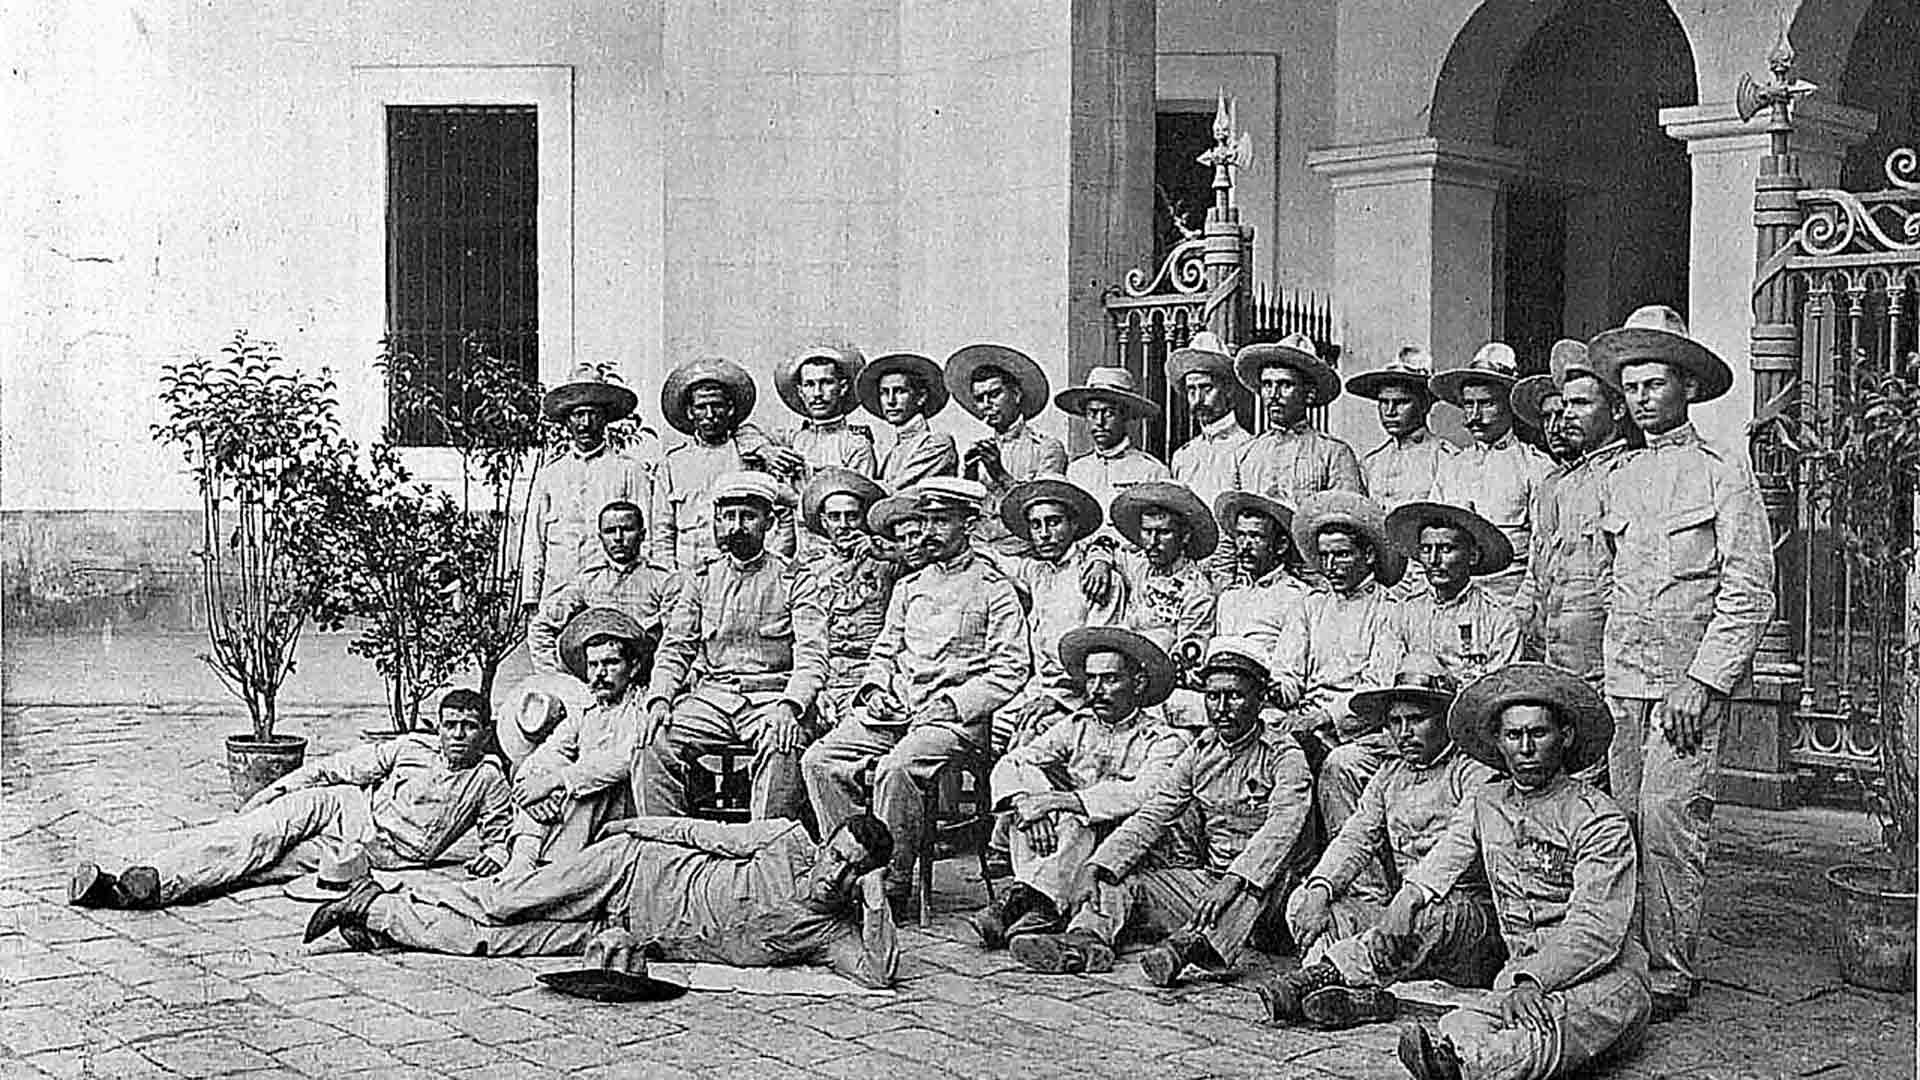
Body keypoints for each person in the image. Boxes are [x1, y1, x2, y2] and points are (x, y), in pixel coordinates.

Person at [1591, 305, 1774, 1020]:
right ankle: (1625, 957)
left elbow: (1750, 588)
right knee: (1621, 819)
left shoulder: (1722, 471)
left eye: (1654, 384)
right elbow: (1614, 581)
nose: (1639, 399)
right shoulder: (1622, 475)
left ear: (1688, 389)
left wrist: (1703, 682)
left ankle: (1670, 968)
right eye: (1630, 386)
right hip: (1625, 684)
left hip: (1683, 688)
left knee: (1669, 819)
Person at [1354, 664, 1646, 1080]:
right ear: (1498, 741)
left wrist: (1533, 978)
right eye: (1513, 735)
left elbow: (1596, 926)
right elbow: (1447, 856)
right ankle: (1455, 1058)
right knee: (1460, 1022)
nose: (1525, 747)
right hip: (1517, 973)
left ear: (1564, 738)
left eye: (1538, 733)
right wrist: (1407, 899)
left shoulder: (1598, 818)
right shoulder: (1486, 801)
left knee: (1558, 1021)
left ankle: (1464, 1069)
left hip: (1602, 974)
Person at [1008, 637, 1315, 987]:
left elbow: (1281, 833)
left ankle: (1184, 949)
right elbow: (1155, 813)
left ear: (1260, 699)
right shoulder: (1201, 752)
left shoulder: (1284, 756)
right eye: (1213, 697)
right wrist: (1097, 866)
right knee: (1122, 882)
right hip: (1212, 882)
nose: (1222, 708)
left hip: (1271, 895)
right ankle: (1085, 941)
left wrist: (1232, 881)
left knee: (1255, 885)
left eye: (1235, 695)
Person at [304, 814, 902, 990]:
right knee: (508, 902)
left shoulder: (831, 933)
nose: (836, 872)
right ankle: (402, 887)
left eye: (854, 871)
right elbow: (698, 834)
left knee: (492, 944)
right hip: (633, 869)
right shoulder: (784, 839)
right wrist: (631, 829)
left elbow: (877, 975)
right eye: (838, 855)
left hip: (634, 937)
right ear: (826, 842)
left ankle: (377, 913)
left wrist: (875, 903)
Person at [800, 477, 1031, 900]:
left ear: (970, 525)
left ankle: (892, 881)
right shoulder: (910, 587)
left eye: (941, 521)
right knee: (820, 759)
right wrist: (873, 690)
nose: (928, 532)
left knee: (896, 769)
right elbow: (884, 653)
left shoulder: (994, 589)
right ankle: (853, 864)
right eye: (924, 521)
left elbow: (1011, 668)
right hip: (898, 712)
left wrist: (952, 703)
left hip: (956, 724)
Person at [70, 690, 510, 909]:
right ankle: (145, 876)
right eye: (449, 725)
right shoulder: (411, 747)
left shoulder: (488, 777)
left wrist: (494, 851)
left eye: (468, 727)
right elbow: (337, 768)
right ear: (438, 727)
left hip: (381, 853)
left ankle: (138, 895)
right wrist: (277, 790)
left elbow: (499, 830)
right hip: (346, 806)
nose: (456, 736)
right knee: (255, 833)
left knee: (267, 868)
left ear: (484, 731)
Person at [1258, 658, 1503, 1024]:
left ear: (1446, 719)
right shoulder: (1390, 773)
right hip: (1405, 920)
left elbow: (1459, 843)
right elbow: (1356, 836)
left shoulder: (1476, 772)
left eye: (1417, 719)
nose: (1404, 732)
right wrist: (1321, 888)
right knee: (1306, 902)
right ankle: (1356, 995)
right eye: (1395, 722)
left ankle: (1322, 977)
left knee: (1429, 915)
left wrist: (1410, 895)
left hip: (1465, 923)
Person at [972, 628, 1189, 948]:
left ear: (1138, 683)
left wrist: (1058, 801)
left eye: (1111, 679)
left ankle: (1033, 902)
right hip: (1066, 845)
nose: (1097, 690)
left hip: (1122, 848)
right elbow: (1014, 762)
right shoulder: (1078, 725)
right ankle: (1038, 902)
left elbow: (1142, 794)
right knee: (1028, 796)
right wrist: (1026, 805)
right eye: (1091, 679)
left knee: (1073, 815)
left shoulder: (1164, 740)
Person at [634, 472, 826, 821]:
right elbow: (676, 647)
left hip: (771, 698)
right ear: (718, 520)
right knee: (651, 739)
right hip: (713, 698)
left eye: (749, 516)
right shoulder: (702, 577)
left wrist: (790, 706)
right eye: (730, 516)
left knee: (784, 741)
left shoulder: (794, 578)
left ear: (768, 522)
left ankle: (762, 851)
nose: (738, 526)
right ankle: (666, 847)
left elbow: (812, 657)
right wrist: (660, 698)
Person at [1513, 341, 1637, 691]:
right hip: (1555, 658)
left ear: (1616, 410)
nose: (1567, 415)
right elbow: (1538, 571)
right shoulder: (1562, 484)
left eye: (1581, 404)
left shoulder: (1626, 475)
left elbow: (1623, 587)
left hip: (1604, 666)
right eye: (1565, 404)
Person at [513, 500, 675, 766]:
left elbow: (678, 638)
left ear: (643, 534)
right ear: (600, 536)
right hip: (599, 690)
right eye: (611, 531)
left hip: (645, 688)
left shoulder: (662, 580)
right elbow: (542, 627)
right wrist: (562, 681)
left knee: (645, 747)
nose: (619, 538)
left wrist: (662, 688)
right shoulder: (588, 581)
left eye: (627, 529)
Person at [503, 609, 650, 875]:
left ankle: (545, 870)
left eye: (611, 663)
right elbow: (546, 754)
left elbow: (625, 760)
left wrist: (556, 781)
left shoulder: (643, 706)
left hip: (620, 811)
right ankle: (522, 863)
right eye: (593, 665)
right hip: (579, 814)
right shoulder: (586, 711)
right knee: (548, 764)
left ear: (634, 667)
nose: (600, 674)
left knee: (577, 775)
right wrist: (535, 789)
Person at [989, 475, 1124, 750]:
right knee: (994, 727)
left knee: (1028, 741)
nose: (1044, 534)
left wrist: (1058, 699)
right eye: (1036, 525)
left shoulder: (1095, 576)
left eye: (1053, 522)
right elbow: (999, 561)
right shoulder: (1037, 572)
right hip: (1039, 686)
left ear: (1073, 525)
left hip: (1084, 693)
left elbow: (1102, 651)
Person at [520, 364, 655, 607]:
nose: (585, 424)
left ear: (605, 418)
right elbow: (535, 542)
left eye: (593, 414)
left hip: (612, 596)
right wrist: (531, 598)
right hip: (558, 595)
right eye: (577, 415)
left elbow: (649, 539)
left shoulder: (629, 471)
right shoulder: (550, 475)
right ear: (566, 421)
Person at [1431, 344, 1553, 604]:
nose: (1474, 416)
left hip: (1510, 602)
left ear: (1509, 404)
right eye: (1468, 405)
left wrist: (1524, 608)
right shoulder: (1451, 467)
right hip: (1455, 602)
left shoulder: (1535, 467)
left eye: (1486, 404)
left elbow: (1544, 553)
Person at [650, 357, 783, 571]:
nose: (710, 415)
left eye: (717, 406)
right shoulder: (672, 463)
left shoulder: (748, 455)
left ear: (730, 409)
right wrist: (668, 576)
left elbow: (774, 519)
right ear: (690, 412)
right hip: (687, 571)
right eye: (701, 407)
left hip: (739, 572)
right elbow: (662, 529)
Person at [799, 468, 904, 727]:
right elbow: (802, 640)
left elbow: (925, 562)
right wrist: (816, 689)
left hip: (872, 677)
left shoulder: (886, 562)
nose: (843, 525)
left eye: (852, 517)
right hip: (823, 677)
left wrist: (887, 552)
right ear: (823, 522)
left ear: (863, 519)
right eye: (835, 517)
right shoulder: (808, 570)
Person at [1110, 481, 1218, 728]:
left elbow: (1189, 658)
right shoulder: (1139, 566)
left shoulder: (1197, 591)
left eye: (1163, 532)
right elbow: (1106, 545)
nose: (1152, 542)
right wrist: (1100, 560)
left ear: (1185, 536)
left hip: (1158, 686)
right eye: (1147, 532)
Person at [1384, 501, 1521, 686]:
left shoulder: (1499, 620)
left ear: (1472, 556)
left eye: (1446, 549)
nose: (1433, 560)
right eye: (1426, 550)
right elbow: (1385, 674)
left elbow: (1500, 689)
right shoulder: (1403, 613)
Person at [948, 344, 1068, 546]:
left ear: (1016, 395)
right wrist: (969, 478)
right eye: (980, 399)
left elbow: (1042, 508)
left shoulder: (1046, 447)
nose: (987, 404)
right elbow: (967, 512)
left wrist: (1000, 474)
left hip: (1024, 551)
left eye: (995, 394)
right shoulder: (979, 451)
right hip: (980, 548)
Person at [1231, 332, 1365, 504]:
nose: (1273, 395)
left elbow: (1345, 516)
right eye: (1266, 385)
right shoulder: (1245, 454)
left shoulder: (1333, 453)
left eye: (1285, 385)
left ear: (1309, 394)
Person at [1212, 492, 1310, 681]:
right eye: (1241, 536)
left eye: (1256, 537)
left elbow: (1289, 672)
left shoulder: (1297, 598)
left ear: (1280, 545)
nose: (1245, 546)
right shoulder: (1229, 597)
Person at [1349, 347, 1456, 508]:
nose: (1390, 411)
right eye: (1384, 402)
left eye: (1401, 402)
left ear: (1424, 404)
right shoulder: (1371, 463)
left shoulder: (1445, 458)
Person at [1057, 365, 1171, 513]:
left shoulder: (1150, 471)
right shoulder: (1076, 471)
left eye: (1108, 413)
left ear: (1125, 416)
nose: (1099, 422)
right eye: (1092, 413)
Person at [1167, 332, 1254, 510]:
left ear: (1228, 389)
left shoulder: (1249, 449)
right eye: (1191, 390)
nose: (1198, 399)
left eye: (1207, 388)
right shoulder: (1183, 456)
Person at [765, 345, 877, 481]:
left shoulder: (856, 445)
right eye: (809, 385)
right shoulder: (791, 440)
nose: (817, 393)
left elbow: (861, 495)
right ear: (800, 392)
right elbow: (745, 433)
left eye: (826, 383)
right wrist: (766, 451)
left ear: (843, 387)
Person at [858, 351, 959, 490]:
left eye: (900, 391)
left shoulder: (937, 444)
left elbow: (896, 489)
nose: (891, 401)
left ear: (921, 397)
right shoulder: (893, 451)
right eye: (884, 393)